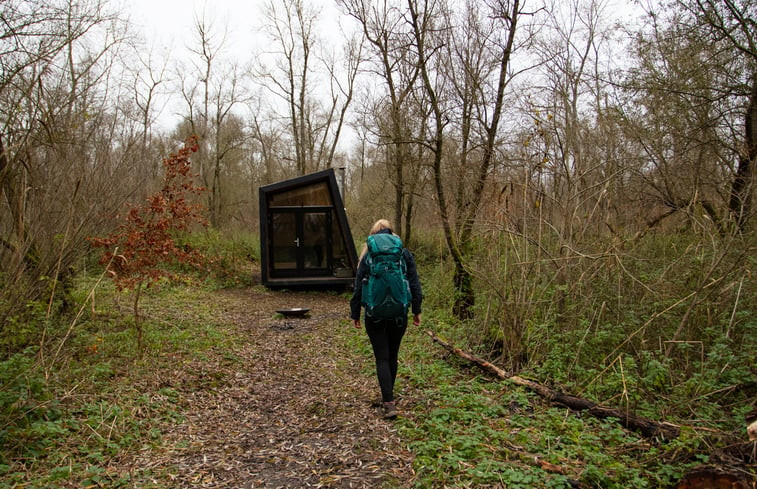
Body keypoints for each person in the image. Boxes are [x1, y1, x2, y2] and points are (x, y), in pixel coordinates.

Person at [350, 219, 422, 419]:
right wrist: (417, 309)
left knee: (381, 356)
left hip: (374, 313)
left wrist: (355, 313)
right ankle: (390, 396)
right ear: (393, 233)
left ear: (374, 235)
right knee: (392, 354)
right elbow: (414, 282)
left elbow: (358, 286)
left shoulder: (368, 254)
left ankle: (388, 401)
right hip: (399, 312)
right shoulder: (403, 253)